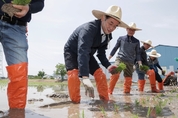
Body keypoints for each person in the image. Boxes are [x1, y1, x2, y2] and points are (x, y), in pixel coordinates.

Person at [64, 5, 128, 103]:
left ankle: (105, 101)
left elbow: (101, 53)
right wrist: (85, 77)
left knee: (100, 74)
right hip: (72, 51)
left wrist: (108, 66)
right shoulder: (88, 29)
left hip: (87, 54)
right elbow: (83, 51)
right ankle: (75, 104)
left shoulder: (107, 36)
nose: (111, 28)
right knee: (74, 75)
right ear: (103, 18)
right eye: (110, 23)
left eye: (115, 26)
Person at [0, 0, 44, 109]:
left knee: (19, 73)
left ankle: (17, 113)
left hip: (16, 27)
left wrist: (29, 7)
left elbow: (39, 3)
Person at [108, 22, 142, 94]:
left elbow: (138, 53)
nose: (131, 31)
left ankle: (127, 93)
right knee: (116, 73)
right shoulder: (121, 38)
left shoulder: (136, 41)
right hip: (120, 59)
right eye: (130, 29)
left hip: (130, 61)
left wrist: (140, 63)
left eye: (133, 30)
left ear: (135, 32)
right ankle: (109, 92)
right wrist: (109, 58)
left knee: (128, 77)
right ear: (126, 29)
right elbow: (115, 48)